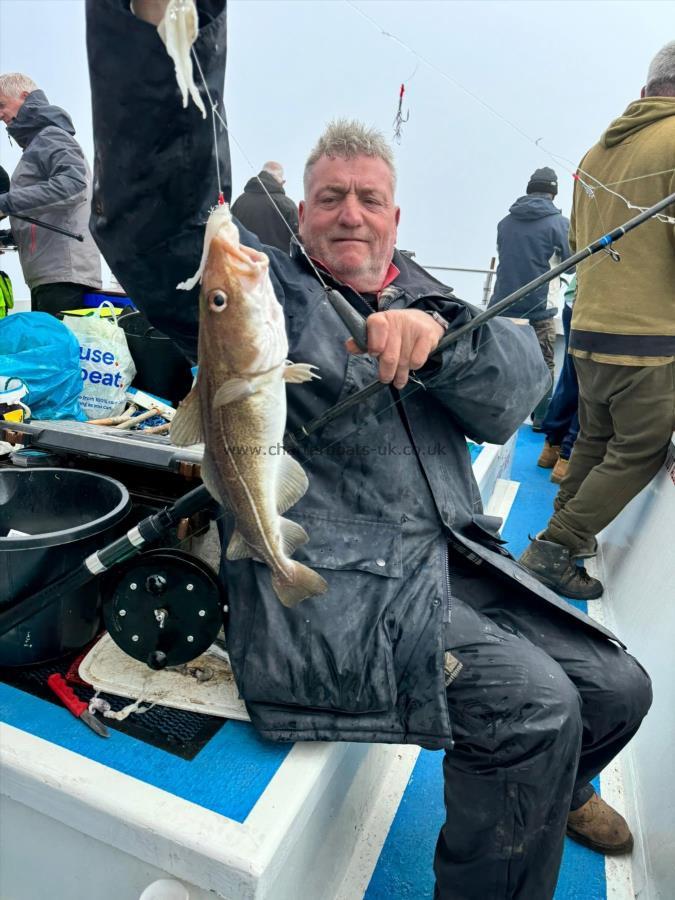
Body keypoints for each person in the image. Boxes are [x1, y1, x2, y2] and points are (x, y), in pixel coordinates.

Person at [86, 3, 652, 897]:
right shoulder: (269, 289)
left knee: (619, 688)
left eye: (369, 199)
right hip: (335, 585)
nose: (350, 215)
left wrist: (440, 335)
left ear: (395, 216)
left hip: (450, 558)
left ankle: (557, 786)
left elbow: (514, 396)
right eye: (328, 199)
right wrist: (143, 34)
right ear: (299, 214)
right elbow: (159, 218)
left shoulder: (430, 291)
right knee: (532, 712)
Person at [520, 41, 675, 602]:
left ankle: (559, 524)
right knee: (640, 448)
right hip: (649, 339)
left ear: (644, 92)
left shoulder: (593, 154)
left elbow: (581, 245)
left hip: (587, 332)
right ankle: (558, 546)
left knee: (593, 438)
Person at [0, 73, 101, 317]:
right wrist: (7, 237)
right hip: (48, 275)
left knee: (57, 354)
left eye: (1, 104)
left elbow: (74, 185)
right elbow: (43, 219)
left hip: (64, 276)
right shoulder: (37, 144)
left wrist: (5, 203)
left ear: (24, 97)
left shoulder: (50, 136)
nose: (0, 114)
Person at [489, 167, 571, 430]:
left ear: (529, 188)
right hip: (539, 309)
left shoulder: (505, 222)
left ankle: (495, 415)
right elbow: (570, 266)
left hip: (502, 305)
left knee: (502, 361)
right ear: (554, 192)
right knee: (544, 365)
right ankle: (540, 420)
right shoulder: (560, 224)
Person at [537, 274, 580, 484]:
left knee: (570, 377)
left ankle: (551, 449)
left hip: (575, 302)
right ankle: (566, 458)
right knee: (590, 386)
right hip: (608, 309)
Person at [231, 160, 299, 252]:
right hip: (275, 265)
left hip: (241, 263)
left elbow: (228, 233)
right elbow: (301, 241)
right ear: (282, 182)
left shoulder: (239, 202)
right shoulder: (287, 204)